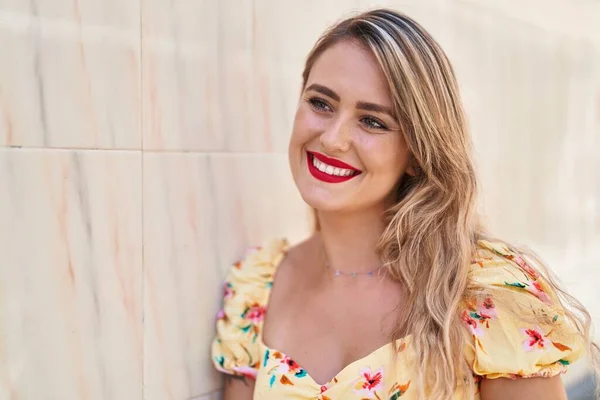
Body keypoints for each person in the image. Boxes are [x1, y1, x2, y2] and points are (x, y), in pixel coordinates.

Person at [210, 8, 599, 400]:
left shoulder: (485, 295)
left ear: (416, 151)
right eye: (321, 103)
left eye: (373, 121)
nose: (332, 138)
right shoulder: (256, 289)